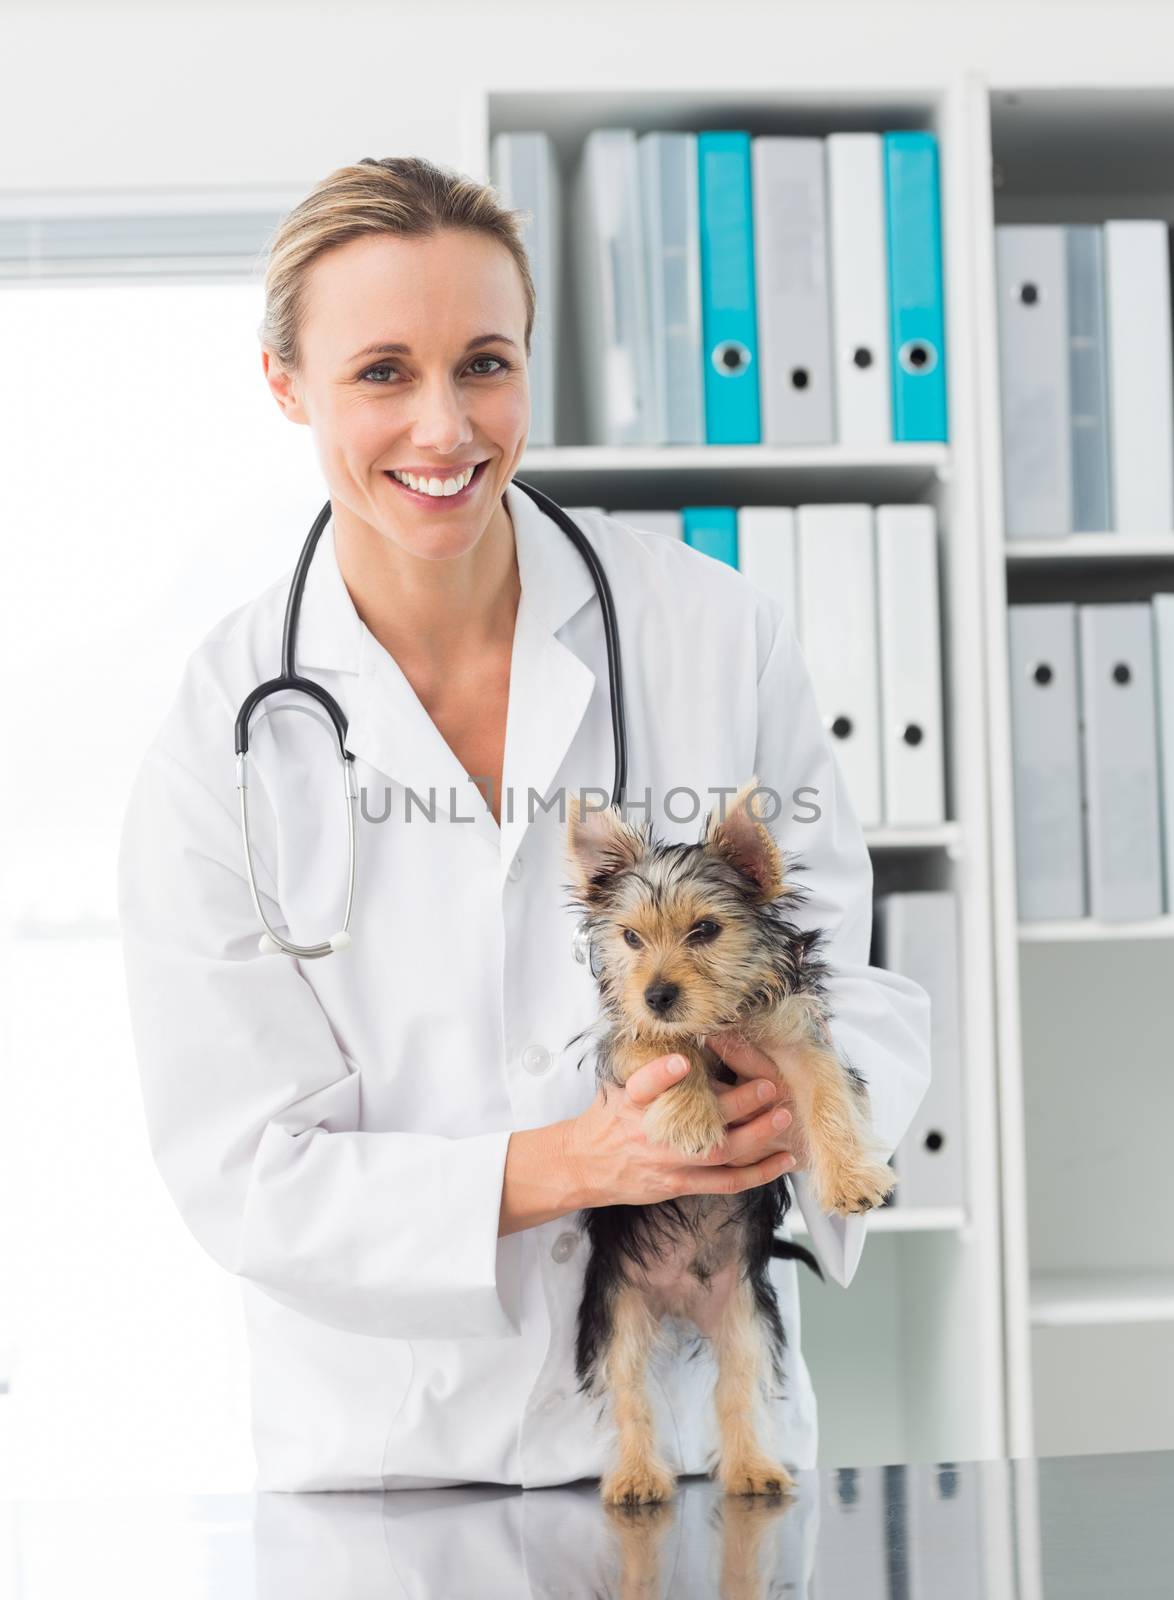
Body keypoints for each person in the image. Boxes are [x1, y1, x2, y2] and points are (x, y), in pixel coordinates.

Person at [116, 154, 932, 1494]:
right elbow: (239, 1162)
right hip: (389, 1457)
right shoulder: (224, 728)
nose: (443, 429)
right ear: (287, 385)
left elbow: (864, 982)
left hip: (690, 1440)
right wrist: (562, 1164)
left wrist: (802, 1102)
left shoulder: (709, 629)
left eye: (484, 363)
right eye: (382, 371)